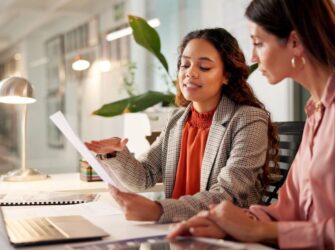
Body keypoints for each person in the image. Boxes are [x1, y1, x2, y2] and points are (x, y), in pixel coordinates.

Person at [167, 0, 335, 249]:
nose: (252, 56)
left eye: (258, 43)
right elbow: (288, 209)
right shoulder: (316, 110)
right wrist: (229, 225)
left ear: (294, 43)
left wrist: (257, 229)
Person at [85, 28, 278, 223]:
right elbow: (144, 177)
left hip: (224, 235)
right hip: (178, 231)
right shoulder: (177, 120)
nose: (190, 73)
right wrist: (115, 153)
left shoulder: (248, 119)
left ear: (226, 76)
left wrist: (158, 210)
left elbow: (228, 195)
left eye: (204, 67)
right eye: (185, 65)